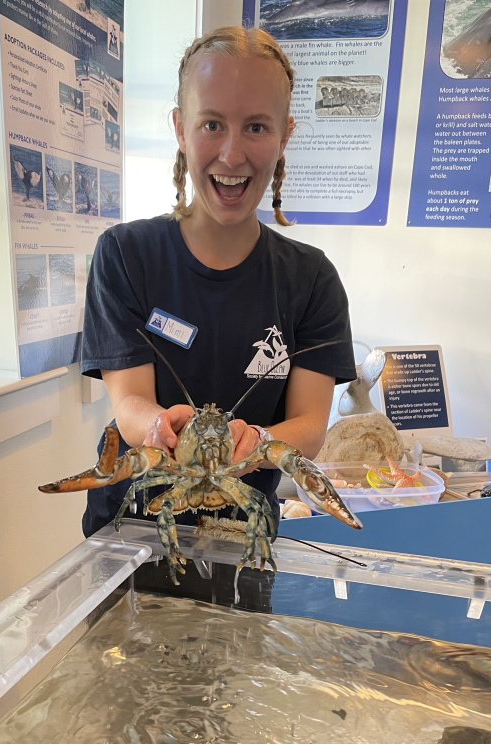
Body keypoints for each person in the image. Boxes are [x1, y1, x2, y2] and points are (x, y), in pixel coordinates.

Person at [78, 25, 356, 594]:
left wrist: (258, 440)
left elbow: (309, 426)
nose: (233, 154)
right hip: (130, 535)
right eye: (212, 124)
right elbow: (129, 400)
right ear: (181, 128)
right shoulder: (125, 255)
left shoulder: (312, 280)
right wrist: (157, 426)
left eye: (257, 126)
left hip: (243, 539)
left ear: (284, 136)